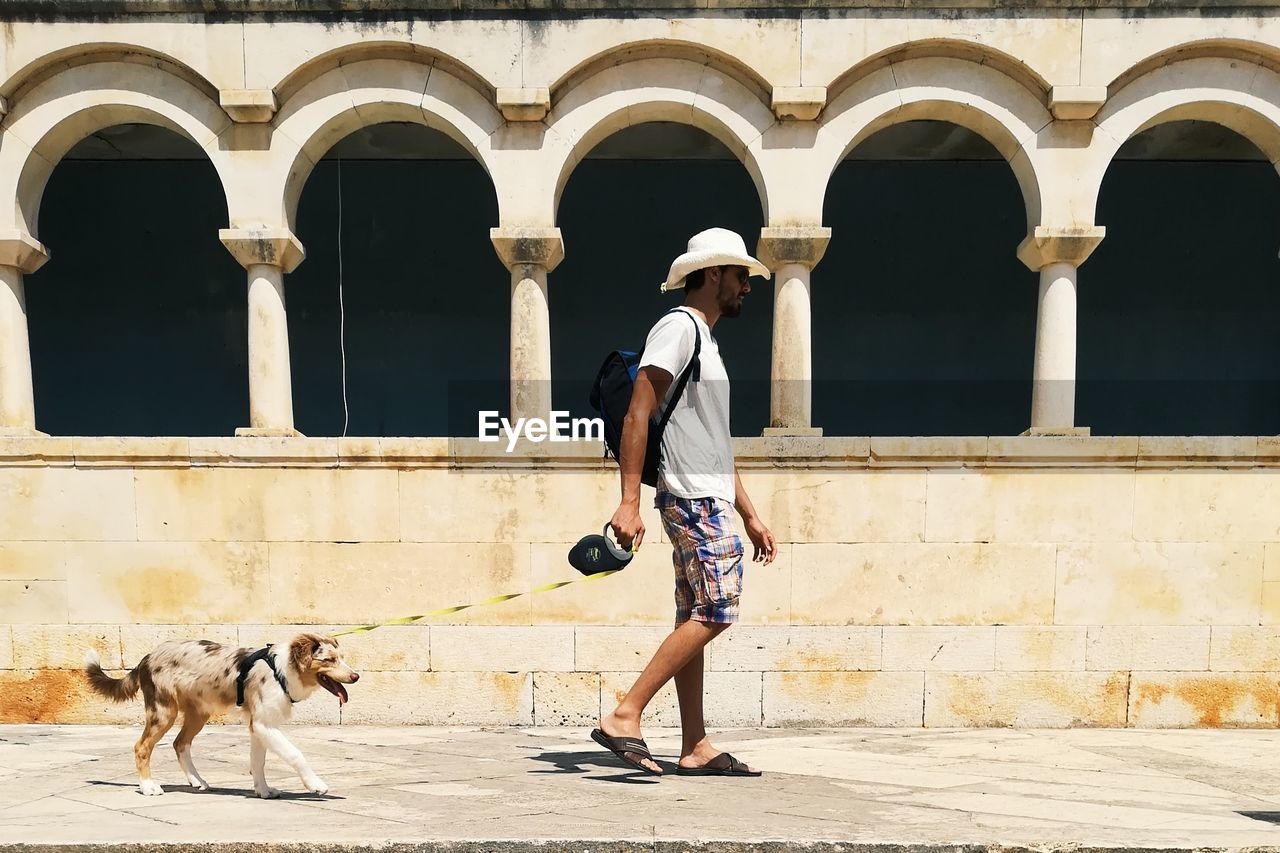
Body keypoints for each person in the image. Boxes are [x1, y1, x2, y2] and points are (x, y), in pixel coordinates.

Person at [591, 227, 778, 778]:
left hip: (710, 494)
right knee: (718, 608)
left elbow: (715, 442)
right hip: (691, 496)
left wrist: (749, 511)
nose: (747, 285)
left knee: (693, 613)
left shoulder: (707, 342)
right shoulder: (678, 327)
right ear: (713, 274)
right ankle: (625, 714)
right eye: (740, 275)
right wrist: (628, 500)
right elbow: (637, 412)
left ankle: (694, 744)